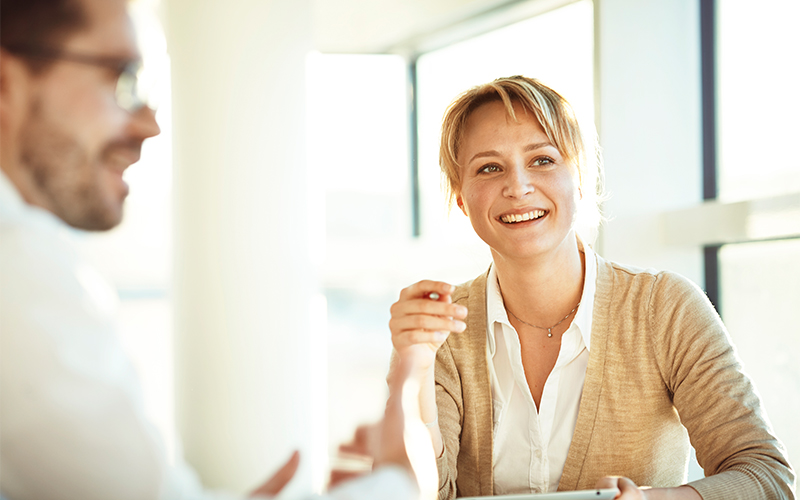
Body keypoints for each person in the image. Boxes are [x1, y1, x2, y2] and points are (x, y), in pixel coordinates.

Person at [0, 0, 435, 499]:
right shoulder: (16, 265)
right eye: (122, 79)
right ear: (5, 82)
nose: (151, 125)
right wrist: (402, 475)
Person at [387, 76, 796, 500]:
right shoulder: (440, 327)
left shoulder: (665, 309)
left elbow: (765, 478)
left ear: (579, 177)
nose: (518, 187)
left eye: (542, 160)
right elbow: (410, 493)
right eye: (490, 168)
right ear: (461, 198)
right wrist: (412, 368)